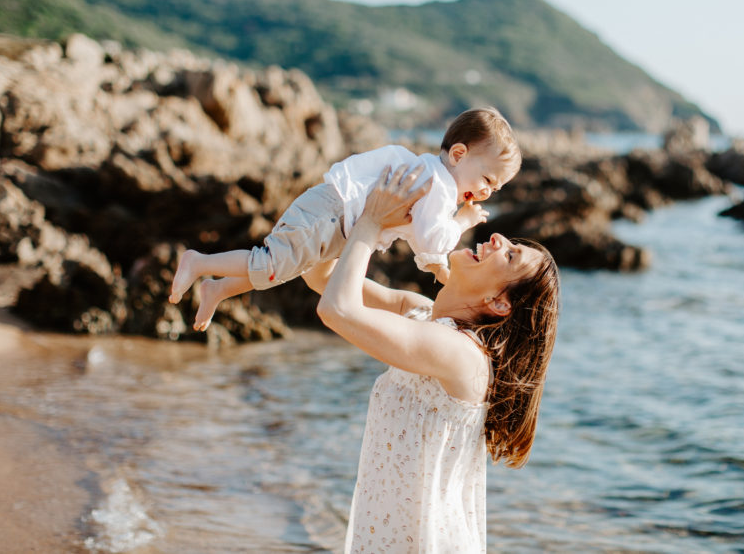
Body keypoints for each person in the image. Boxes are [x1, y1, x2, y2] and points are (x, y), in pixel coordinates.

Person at [307, 164, 560, 553]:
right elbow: (321, 276)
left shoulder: (462, 355)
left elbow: (337, 310)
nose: (497, 238)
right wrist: (366, 212)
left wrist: (373, 221)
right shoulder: (421, 314)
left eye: (510, 256)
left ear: (498, 303)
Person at [168, 107, 521, 330]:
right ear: (458, 154)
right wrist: (462, 222)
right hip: (331, 215)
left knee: (286, 270)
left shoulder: (431, 176)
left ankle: (217, 289)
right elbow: (432, 238)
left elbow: (419, 237)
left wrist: (441, 270)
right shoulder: (439, 186)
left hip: (335, 221)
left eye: (496, 188)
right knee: (273, 264)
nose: (488, 192)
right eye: (488, 179)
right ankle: (200, 262)